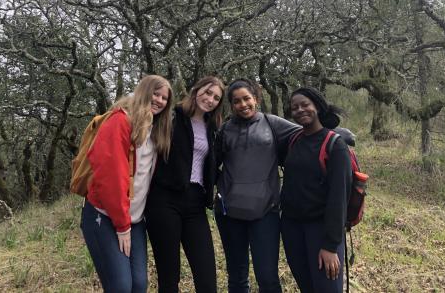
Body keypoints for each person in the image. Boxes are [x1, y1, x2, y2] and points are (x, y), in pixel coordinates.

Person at [80, 75, 173, 293]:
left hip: (135, 219)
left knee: (139, 285)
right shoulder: (120, 121)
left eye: (164, 98)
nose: (159, 100)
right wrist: (122, 227)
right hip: (104, 215)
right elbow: (110, 177)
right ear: (142, 91)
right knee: (121, 287)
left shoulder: (156, 128)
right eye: (155, 93)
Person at [215, 78, 300, 293]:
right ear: (231, 105)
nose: (243, 105)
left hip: (266, 213)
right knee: (236, 275)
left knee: (268, 276)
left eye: (247, 99)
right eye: (236, 101)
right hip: (230, 214)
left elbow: (309, 133)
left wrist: (338, 136)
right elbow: (208, 165)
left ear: (256, 98)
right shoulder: (224, 130)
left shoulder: (273, 123)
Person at [145, 76, 225, 293]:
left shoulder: (213, 127)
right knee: (169, 277)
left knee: (207, 277)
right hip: (164, 201)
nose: (210, 99)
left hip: (195, 203)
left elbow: (211, 165)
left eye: (216, 97)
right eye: (208, 93)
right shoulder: (171, 116)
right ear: (196, 90)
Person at [280, 87, 352, 293]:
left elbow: (339, 199)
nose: (300, 110)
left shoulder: (335, 145)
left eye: (305, 105)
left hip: (321, 230)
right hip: (292, 227)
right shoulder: (294, 140)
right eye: (295, 107)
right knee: (307, 287)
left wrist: (330, 246)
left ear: (317, 107)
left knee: (327, 288)